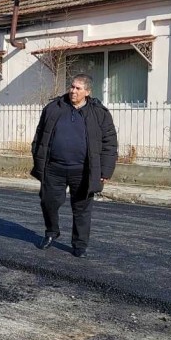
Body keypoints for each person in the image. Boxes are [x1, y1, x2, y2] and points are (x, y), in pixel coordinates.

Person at [30, 74, 117, 257]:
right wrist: (38, 159)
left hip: (83, 171)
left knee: (82, 209)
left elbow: (110, 143)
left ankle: (80, 244)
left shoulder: (99, 113)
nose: (73, 91)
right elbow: (39, 136)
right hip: (54, 169)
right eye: (72, 87)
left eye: (78, 88)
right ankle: (52, 232)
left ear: (87, 92)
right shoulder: (54, 108)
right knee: (48, 203)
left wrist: (106, 170)